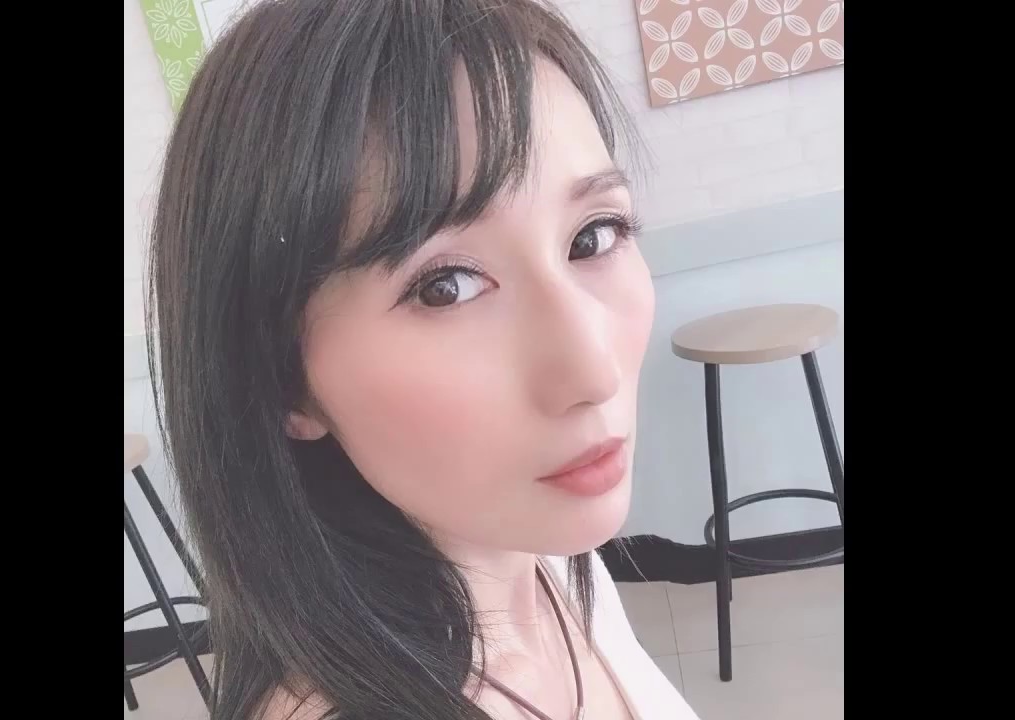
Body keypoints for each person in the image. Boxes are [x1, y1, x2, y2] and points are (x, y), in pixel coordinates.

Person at [147, 0, 699, 718]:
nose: (593, 371)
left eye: (593, 236)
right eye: (447, 287)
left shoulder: (550, 566)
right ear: (284, 381)